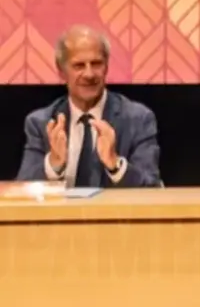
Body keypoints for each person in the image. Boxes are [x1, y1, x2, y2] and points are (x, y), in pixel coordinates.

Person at [17, 25, 161, 188]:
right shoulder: (40, 123)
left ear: (107, 67)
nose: (89, 74)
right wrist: (53, 165)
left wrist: (116, 166)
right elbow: (22, 190)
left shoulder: (138, 119)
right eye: (79, 65)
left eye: (96, 63)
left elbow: (152, 187)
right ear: (61, 71)